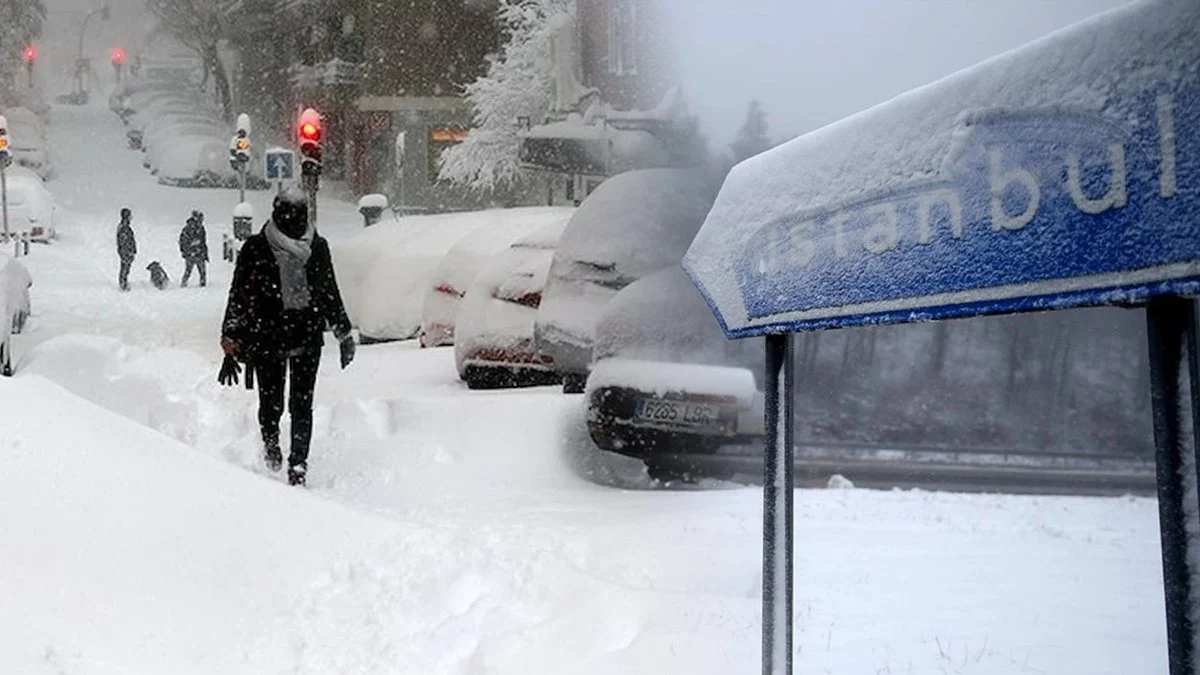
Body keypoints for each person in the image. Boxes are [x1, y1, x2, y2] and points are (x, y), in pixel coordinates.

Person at [218, 190, 356, 486]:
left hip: (307, 336)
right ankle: (271, 444)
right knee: (272, 402)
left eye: (299, 213)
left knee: (301, 404)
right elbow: (239, 293)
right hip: (267, 338)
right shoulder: (255, 248)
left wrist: (343, 332)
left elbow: (328, 290)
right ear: (277, 213)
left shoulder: (317, 247)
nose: (294, 219)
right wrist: (231, 334)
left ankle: (298, 464)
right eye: (289, 213)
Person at [179, 210, 209, 287]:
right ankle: (184, 283)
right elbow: (183, 241)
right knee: (189, 270)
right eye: (200, 219)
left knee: (201, 271)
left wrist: (205, 253)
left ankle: (202, 285)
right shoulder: (188, 229)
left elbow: (203, 242)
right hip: (191, 253)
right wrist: (187, 250)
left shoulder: (201, 228)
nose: (202, 221)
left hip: (199, 253)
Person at [116, 207, 136, 291]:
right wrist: (128, 251)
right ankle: (123, 284)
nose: (131, 217)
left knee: (125, 268)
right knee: (125, 268)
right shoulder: (124, 227)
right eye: (130, 215)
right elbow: (124, 241)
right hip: (125, 251)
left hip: (126, 251)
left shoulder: (125, 226)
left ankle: (123, 283)